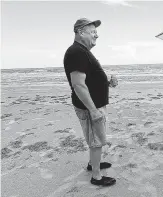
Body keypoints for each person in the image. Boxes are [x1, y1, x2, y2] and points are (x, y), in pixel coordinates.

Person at [63, 18, 118, 186]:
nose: (97, 35)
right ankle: (96, 176)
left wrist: (107, 82)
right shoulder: (76, 52)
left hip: (93, 105)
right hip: (89, 107)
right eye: (93, 32)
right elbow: (78, 85)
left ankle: (92, 164)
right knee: (96, 141)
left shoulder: (82, 51)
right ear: (81, 32)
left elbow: (89, 80)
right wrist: (93, 110)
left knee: (96, 140)